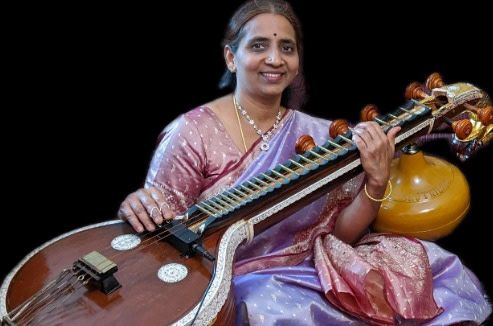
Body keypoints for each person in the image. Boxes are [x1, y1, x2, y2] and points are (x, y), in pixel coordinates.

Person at [117, 0, 491, 324]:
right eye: (259, 45)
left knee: (430, 263)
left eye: (287, 48)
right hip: (228, 280)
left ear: (297, 62)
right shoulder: (191, 132)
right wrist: (140, 205)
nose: (275, 59)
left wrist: (375, 183)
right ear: (231, 57)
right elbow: (159, 240)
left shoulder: (324, 136)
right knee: (265, 304)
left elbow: (339, 237)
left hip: (310, 267)